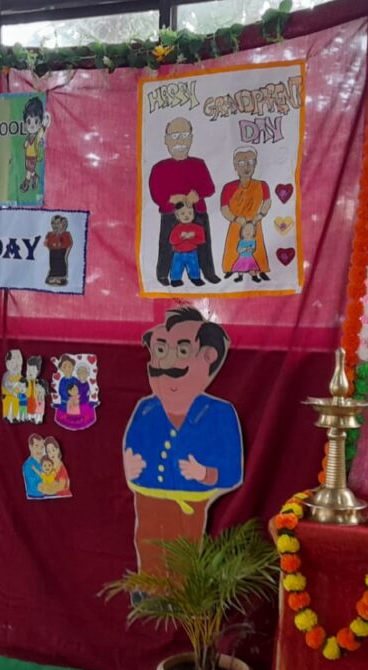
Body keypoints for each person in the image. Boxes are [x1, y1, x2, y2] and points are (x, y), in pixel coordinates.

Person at [122, 306, 243, 575]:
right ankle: (149, 588)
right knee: (147, 544)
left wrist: (206, 474)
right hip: (147, 497)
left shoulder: (219, 414)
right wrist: (130, 466)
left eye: (183, 350)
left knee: (184, 554)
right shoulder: (146, 409)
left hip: (191, 504)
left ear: (208, 357)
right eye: (160, 350)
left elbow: (232, 470)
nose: (167, 364)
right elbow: (132, 445)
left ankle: (179, 591)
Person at [147, 117, 220, 286]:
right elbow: (156, 193)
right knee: (167, 244)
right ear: (166, 140)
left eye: (184, 135)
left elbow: (209, 188)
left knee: (203, 242)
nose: (179, 141)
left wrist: (197, 194)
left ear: (191, 138)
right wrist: (171, 199)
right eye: (174, 136)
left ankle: (208, 273)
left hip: (197, 211)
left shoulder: (199, 164)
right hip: (170, 213)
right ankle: (162, 274)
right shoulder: (159, 168)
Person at [220, 146, 271, 281]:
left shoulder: (262, 185)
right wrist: (236, 218)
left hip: (254, 223)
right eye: (241, 163)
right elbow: (224, 208)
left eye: (250, 162)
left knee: (257, 248)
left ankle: (260, 270)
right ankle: (231, 269)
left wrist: (260, 215)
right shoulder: (228, 187)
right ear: (235, 166)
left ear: (255, 164)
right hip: (236, 223)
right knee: (233, 248)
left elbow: (267, 201)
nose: (246, 167)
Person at [168, 201, 205, 287]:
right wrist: (181, 237)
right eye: (183, 213)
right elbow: (172, 240)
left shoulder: (198, 228)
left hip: (192, 252)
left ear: (194, 214)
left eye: (190, 213)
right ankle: (175, 280)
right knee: (176, 267)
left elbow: (201, 240)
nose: (186, 216)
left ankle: (195, 278)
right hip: (178, 253)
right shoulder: (177, 229)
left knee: (194, 266)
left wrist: (192, 237)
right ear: (177, 216)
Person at [20, 97, 50, 193]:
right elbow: (27, 142)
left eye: (36, 122)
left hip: (33, 156)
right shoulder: (29, 136)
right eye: (29, 122)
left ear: (40, 122)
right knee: (28, 168)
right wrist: (25, 144)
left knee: (29, 169)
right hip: (27, 155)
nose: (32, 126)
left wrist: (44, 125)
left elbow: (41, 132)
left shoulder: (37, 136)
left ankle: (26, 182)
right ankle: (35, 177)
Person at [45, 215, 73, 286]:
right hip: (53, 252)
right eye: (53, 223)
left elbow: (68, 244)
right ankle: (53, 275)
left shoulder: (65, 234)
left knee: (61, 261)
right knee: (53, 262)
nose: (55, 225)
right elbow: (47, 243)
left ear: (62, 224)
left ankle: (61, 276)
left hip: (61, 251)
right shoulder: (50, 234)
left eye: (57, 223)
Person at [1, 349, 23, 422]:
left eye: (18, 360)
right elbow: (6, 385)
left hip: (16, 397)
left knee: (16, 406)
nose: (16, 364)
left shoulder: (20, 376)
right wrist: (12, 389)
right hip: (8, 397)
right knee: (8, 408)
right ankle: (8, 417)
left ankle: (15, 417)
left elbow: (22, 386)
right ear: (8, 363)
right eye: (13, 361)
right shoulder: (6, 375)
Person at [22, 434, 46, 499]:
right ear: (30, 447)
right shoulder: (28, 464)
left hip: (44, 496)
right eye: (36, 446)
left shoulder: (43, 462)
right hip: (34, 496)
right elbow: (33, 484)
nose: (40, 450)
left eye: (42, 447)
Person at [25, 355, 44, 423]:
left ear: (37, 371)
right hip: (28, 398)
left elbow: (42, 391)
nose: (30, 372)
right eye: (28, 370)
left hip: (36, 398)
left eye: (33, 370)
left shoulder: (38, 383)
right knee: (28, 407)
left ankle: (37, 418)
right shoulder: (25, 382)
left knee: (38, 407)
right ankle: (29, 417)